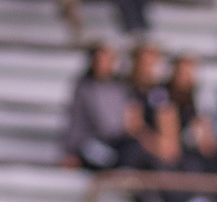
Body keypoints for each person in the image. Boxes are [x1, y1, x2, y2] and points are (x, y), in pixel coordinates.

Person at [61, 43, 151, 172]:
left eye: (107, 60)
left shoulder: (120, 88)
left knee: (133, 149)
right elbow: (75, 121)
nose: (102, 64)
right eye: (99, 60)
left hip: (116, 141)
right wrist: (71, 151)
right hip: (91, 142)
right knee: (103, 157)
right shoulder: (84, 89)